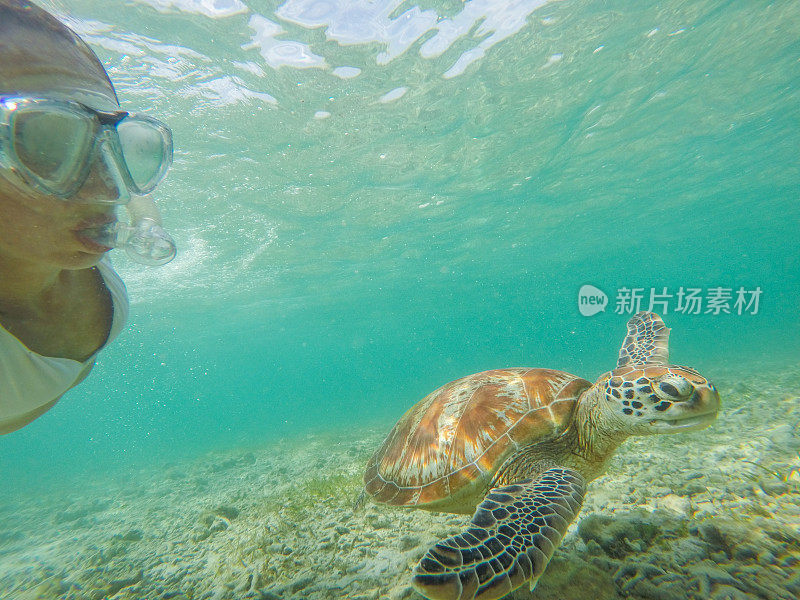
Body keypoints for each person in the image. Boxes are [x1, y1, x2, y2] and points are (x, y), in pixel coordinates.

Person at [0, 0, 176, 434]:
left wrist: (147, 224)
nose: (108, 189)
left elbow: (131, 197)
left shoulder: (69, 232)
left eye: (114, 146)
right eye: (46, 144)